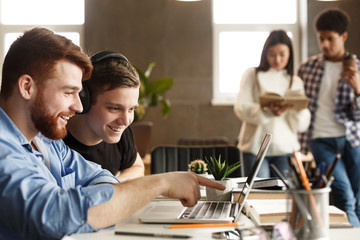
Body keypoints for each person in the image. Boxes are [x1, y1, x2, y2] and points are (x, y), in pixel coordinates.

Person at [0, 27, 225, 240]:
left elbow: (99, 177)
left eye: (79, 94)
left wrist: (93, 202)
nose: (78, 107)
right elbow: (53, 215)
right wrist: (159, 183)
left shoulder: (46, 142)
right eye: (69, 92)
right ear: (27, 87)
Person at [298, 8, 360, 227]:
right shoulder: (307, 68)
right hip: (320, 140)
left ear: (343, 37)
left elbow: (357, 116)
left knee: (358, 198)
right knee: (345, 197)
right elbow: (296, 103)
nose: (325, 44)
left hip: (352, 140)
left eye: (330, 38)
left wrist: (357, 89)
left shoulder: (356, 68)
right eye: (321, 38)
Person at [234, 30, 311, 178]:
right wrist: (267, 111)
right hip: (255, 147)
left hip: (285, 149)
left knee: (281, 197)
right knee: (257, 195)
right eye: (272, 54)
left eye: (282, 54)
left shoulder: (295, 81)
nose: (277, 59)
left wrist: (297, 109)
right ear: (265, 53)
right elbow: (241, 108)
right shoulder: (252, 74)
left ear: (290, 54)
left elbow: (301, 125)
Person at [63, 50, 144, 182]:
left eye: (131, 109)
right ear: (84, 100)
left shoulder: (119, 130)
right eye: (115, 108)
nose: (125, 121)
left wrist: (111, 186)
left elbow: (136, 167)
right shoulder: (55, 140)